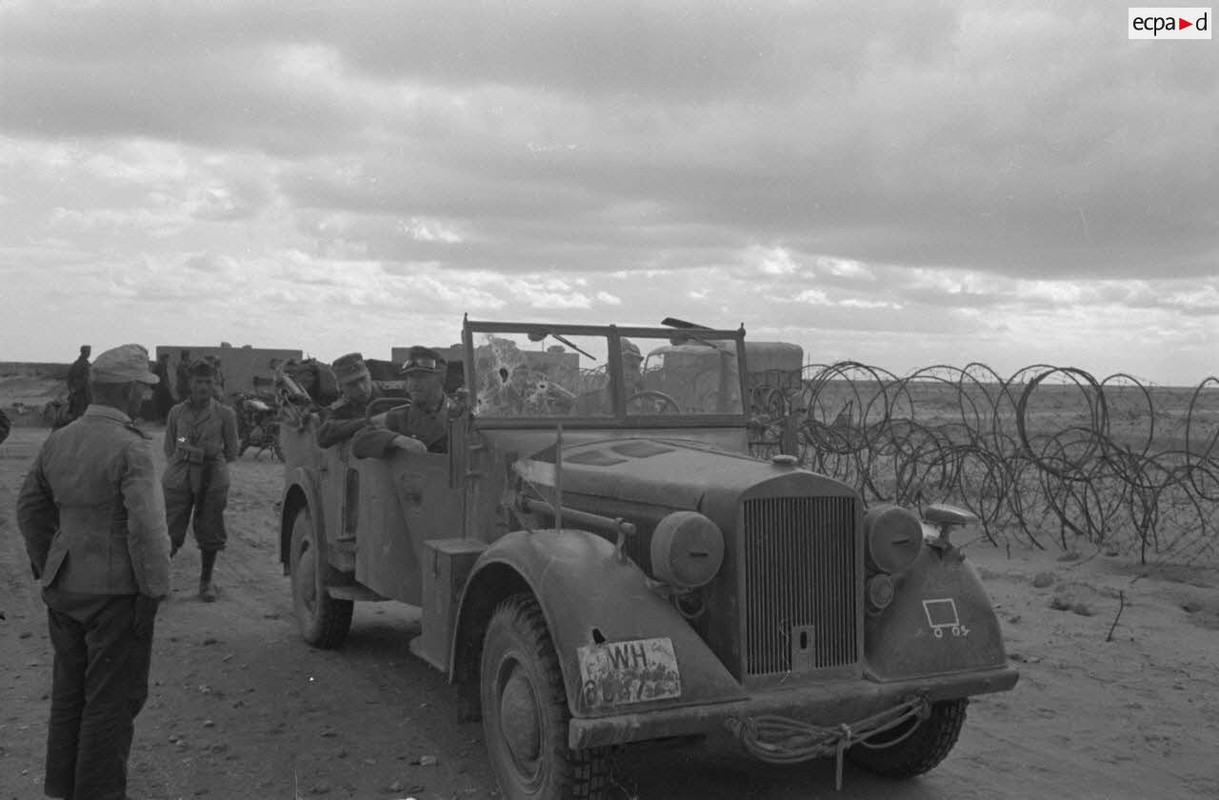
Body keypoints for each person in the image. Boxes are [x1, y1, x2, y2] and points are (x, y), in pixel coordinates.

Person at [16, 344, 170, 800]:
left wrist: (50, 561)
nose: (144, 397)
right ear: (127, 393)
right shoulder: (131, 449)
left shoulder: (59, 439)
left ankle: (62, 788)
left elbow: (29, 508)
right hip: (116, 594)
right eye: (142, 389)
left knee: (69, 695)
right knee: (111, 701)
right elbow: (147, 530)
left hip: (66, 588)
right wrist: (153, 591)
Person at [163, 359, 239, 602]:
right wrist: (188, 447)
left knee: (210, 527)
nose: (204, 387)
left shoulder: (225, 414)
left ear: (215, 383)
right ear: (190, 383)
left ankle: (206, 582)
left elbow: (232, 451)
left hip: (212, 474)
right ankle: (159, 581)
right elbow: (172, 444)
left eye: (209, 382)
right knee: (169, 529)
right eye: (199, 381)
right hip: (180, 474)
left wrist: (208, 454)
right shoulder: (177, 412)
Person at [352, 346, 457, 458]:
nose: (413, 384)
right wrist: (397, 440)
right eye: (410, 377)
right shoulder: (399, 418)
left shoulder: (460, 413)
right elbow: (359, 441)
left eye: (421, 377)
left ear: (440, 379)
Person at [315, 352, 384, 448]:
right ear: (341, 387)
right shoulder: (339, 409)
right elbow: (323, 435)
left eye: (362, 379)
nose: (361, 388)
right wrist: (371, 421)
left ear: (369, 375)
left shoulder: (396, 391)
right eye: (351, 384)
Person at [571, 337, 645, 415]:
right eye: (621, 366)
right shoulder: (587, 404)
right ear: (609, 369)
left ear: (639, 371)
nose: (628, 372)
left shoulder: (649, 405)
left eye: (633, 367)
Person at [63, 345, 92, 425]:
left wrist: (72, 389)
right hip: (82, 392)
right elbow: (87, 379)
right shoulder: (84, 365)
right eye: (88, 352)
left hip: (76, 391)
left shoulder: (76, 364)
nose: (89, 354)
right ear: (84, 352)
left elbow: (69, 378)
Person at [152, 352, 176, 423]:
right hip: (161, 388)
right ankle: (161, 419)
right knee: (164, 404)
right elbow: (162, 377)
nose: (167, 361)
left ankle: (162, 419)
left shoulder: (162, 365)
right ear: (164, 359)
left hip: (161, 388)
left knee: (164, 404)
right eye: (167, 359)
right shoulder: (160, 366)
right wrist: (167, 385)